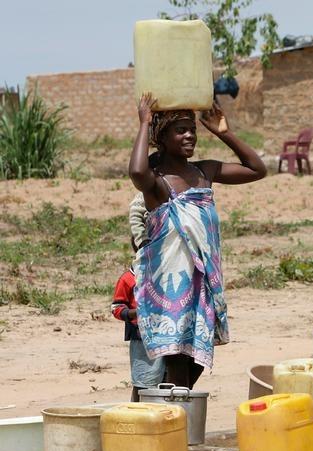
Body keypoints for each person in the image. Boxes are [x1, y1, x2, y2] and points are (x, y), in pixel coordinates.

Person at [128, 94, 267, 388]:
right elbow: (137, 171)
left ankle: (160, 411)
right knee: (179, 367)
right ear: (162, 137)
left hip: (201, 285)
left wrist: (224, 132)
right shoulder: (158, 182)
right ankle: (174, 425)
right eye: (181, 130)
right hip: (171, 288)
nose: (190, 135)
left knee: (193, 366)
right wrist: (144, 123)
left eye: (192, 128)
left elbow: (257, 169)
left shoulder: (204, 172)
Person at [111, 235, 164, 402]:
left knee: (165, 381)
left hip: (166, 333)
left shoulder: (164, 274)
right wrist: (135, 313)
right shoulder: (128, 279)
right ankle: (136, 414)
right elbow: (117, 308)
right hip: (141, 336)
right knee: (142, 382)